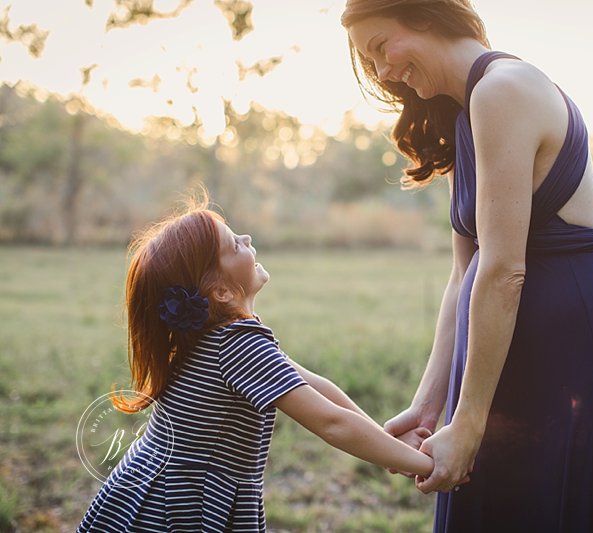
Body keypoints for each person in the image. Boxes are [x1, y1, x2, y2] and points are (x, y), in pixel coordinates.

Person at [342, 1, 593, 531]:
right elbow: (465, 274)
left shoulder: (504, 90)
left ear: (424, 15)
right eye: (372, 64)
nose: (385, 72)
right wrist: (431, 404)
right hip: (530, 387)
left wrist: (469, 423)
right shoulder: (465, 114)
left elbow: (505, 269)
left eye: (380, 48)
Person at [77, 195, 433, 532]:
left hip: (147, 490)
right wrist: (426, 465)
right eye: (234, 244)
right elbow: (331, 423)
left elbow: (318, 388)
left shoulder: (215, 335)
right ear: (221, 292)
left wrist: (394, 447)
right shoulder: (237, 345)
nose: (247, 238)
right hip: (185, 508)